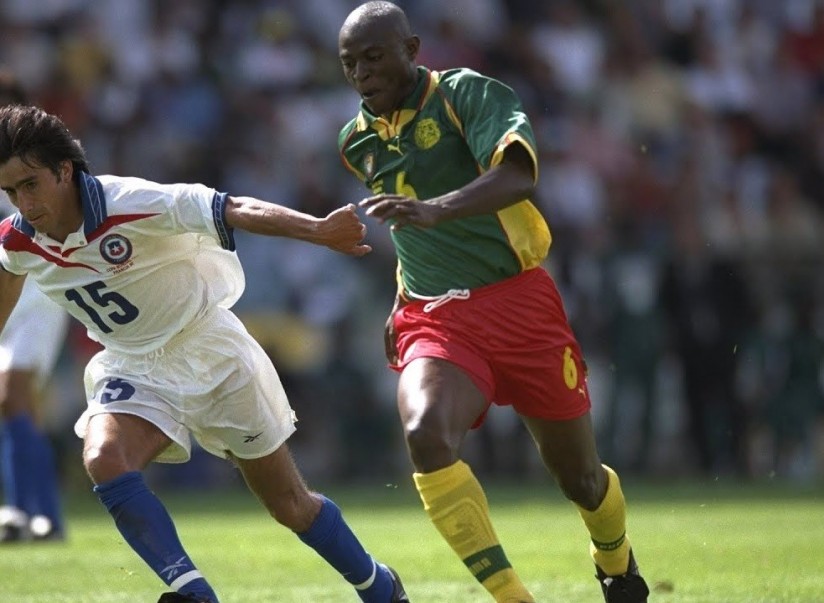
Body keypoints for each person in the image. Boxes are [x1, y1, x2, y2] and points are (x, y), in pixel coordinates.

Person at [0, 104, 409, 603]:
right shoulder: (19, 239)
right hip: (133, 363)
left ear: (64, 170)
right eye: (10, 191)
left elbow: (232, 207)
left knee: (289, 505)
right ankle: (193, 592)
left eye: (30, 184)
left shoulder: (130, 201)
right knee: (105, 456)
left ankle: (380, 586)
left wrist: (318, 229)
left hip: (211, 350)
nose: (23, 202)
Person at [337, 3, 650, 602]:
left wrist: (439, 208)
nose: (361, 73)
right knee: (426, 432)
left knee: (581, 480)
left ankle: (615, 563)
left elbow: (517, 175)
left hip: (520, 303)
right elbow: (406, 225)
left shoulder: (464, 94)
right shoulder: (357, 142)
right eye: (349, 63)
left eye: (374, 57)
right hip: (436, 315)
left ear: (412, 48)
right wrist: (399, 296)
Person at [0, 70, 69, 543]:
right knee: (9, 403)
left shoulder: (29, 160)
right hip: (6, 281)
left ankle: (33, 513)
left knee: (12, 392)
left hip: (37, 284)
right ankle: (35, 516)